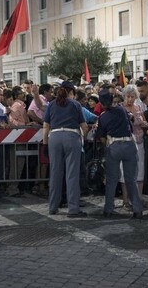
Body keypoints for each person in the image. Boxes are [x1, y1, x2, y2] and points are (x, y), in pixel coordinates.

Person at [42, 81, 88, 218]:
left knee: (55, 173)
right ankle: (73, 209)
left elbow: (45, 127)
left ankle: (53, 207)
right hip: (71, 137)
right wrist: (82, 138)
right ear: (71, 92)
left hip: (54, 137)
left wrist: (45, 144)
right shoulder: (75, 105)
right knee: (72, 174)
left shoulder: (51, 105)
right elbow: (84, 126)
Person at [95, 89, 144, 218]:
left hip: (114, 146)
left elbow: (102, 136)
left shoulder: (103, 117)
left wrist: (107, 146)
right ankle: (137, 209)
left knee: (112, 179)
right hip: (129, 145)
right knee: (131, 179)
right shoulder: (122, 110)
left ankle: (108, 209)